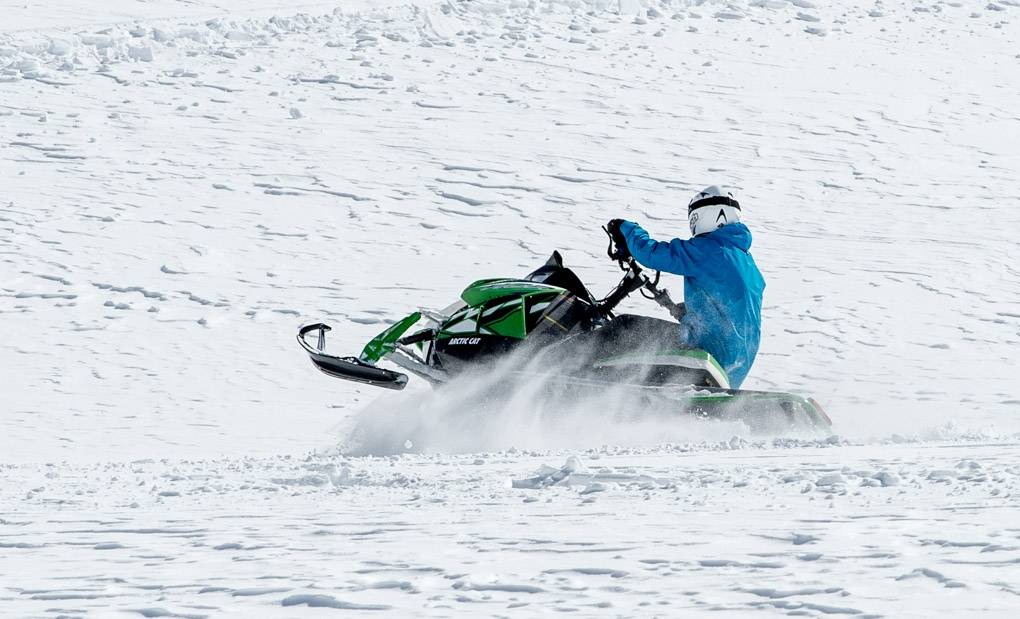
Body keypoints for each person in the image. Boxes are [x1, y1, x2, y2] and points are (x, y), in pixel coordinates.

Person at [606, 186, 765, 388]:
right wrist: (677, 309)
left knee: (625, 327)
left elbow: (652, 254)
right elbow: (723, 316)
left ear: (711, 214)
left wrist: (625, 228)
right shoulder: (746, 262)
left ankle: (566, 363)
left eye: (694, 216)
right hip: (731, 367)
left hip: (705, 352)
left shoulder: (711, 249)